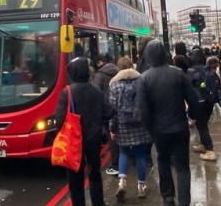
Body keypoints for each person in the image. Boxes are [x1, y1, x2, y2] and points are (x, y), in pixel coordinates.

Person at [137, 39, 200, 206]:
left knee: (163, 161)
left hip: (159, 130)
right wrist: (191, 117)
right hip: (180, 126)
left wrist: (150, 129)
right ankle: (184, 201)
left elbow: (142, 110)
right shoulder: (178, 73)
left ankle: (168, 197)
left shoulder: (144, 79)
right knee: (182, 167)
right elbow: (193, 99)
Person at [54, 57, 114, 206]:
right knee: (95, 174)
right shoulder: (96, 90)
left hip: (74, 140)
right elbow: (109, 112)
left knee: (75, 177)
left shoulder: (66, 92)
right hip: (94, 139)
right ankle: (98, 202)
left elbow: (59, 120)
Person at [109, 56, 152, 201]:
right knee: (140, 154)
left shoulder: (114, 85)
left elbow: (112, 111)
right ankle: (141, 186)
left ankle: (122, 182)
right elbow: (147, 105)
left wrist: (112, 129)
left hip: (123, 125)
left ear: (119, 68)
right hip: (140, 124)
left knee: (123, 153)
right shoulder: (142, 81)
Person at [188, 51, 220, 161]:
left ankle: (209, 150)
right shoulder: (208, 69)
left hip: (198, 101)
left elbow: (188, 87)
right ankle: (203, 144)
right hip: (209, 101)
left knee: (201, 126)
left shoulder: (191, 71)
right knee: (203, 124)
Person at [93, 54, 120, 176]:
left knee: (111, 137)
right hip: (120, 107)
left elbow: (96, 92)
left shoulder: (99, 75)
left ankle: (115, 163)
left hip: (107, 110)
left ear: (100, 62)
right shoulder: (118, 70)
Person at [136, 35, 155, 167]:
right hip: (152, 97)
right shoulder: (147, 58)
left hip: (149, 97)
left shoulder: (144, 60)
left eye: (140, 44)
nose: (138, 46)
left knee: (148, 128)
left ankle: (147, 156)